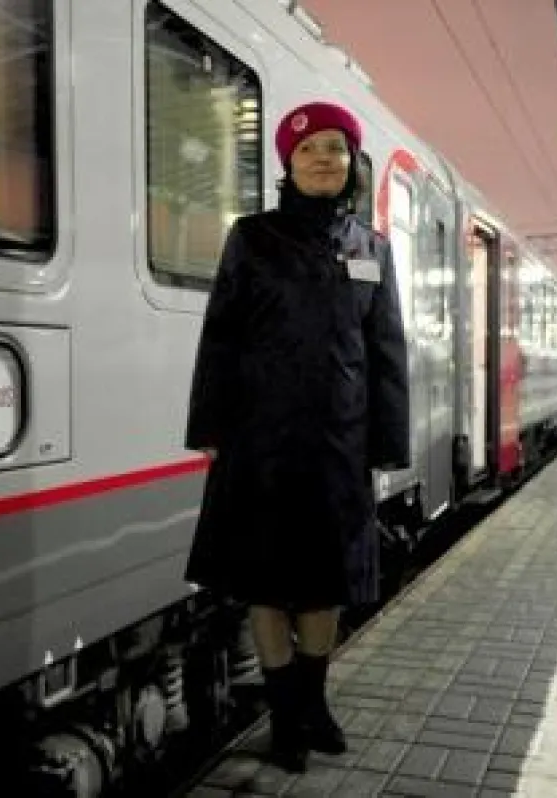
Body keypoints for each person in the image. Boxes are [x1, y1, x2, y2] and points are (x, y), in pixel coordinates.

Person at [182, 100, 410, 772]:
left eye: (336, 150)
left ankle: (312, 703)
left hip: (340, 445)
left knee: (324, 586)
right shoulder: (252, 238)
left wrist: (386, 445)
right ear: (288, 161)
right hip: (260, 442)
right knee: (267, 585)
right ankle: (285, 719)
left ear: (351, 165)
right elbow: (219, 337)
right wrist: (211, 428)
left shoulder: (373, 249)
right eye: (310, 150)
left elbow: (387, 353)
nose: (323, 161)